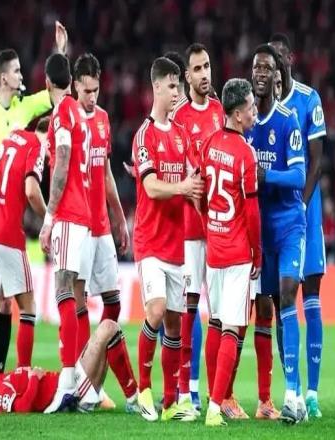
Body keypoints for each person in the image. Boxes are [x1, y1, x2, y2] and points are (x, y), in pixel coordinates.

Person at [0, 21, 67, 375]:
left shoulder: (24, 107)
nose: (22, 76)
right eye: (16, 71)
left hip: (11, 208)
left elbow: (56, 93)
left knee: (3, 300)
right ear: (2, 78)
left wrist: (59, 53)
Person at [132, 57, 203, 422]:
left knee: (175, 324)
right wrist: (183, 187)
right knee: (157, 311)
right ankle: (144, 389)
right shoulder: (144, 136)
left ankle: (171, 401)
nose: (178, 92)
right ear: (157, 87)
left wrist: (197, 192)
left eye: (179, 86)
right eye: (173, 86)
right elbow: (150, 187)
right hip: (149, 243)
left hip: (177, 245)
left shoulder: (181, 135)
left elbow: (192, 180)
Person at [246, 44, 306, 424]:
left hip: (289, 226)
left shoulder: (288, 121)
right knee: (266, 310)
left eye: (267, 68)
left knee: (286, 298)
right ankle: (268, 395)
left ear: (277, 76)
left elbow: (299, 176)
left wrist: (265, 175)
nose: (261, 73)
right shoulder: (247, 124)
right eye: (256, 67)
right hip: (261, 232)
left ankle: (294, 395)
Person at [270, 33, 327, 418]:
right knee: (281, 301)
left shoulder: (309, 99)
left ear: (289, 59)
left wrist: (301, 206)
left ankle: (312, 393)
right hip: (276, 218)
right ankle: (291, 388)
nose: (274, 67)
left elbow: (317, 161)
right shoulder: (261, 106)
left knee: (312, 297)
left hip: (306, 211)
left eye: (279, 59)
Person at [199, 78, 261, 427]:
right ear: (238, 114)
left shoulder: (209, 144)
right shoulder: (245, 153)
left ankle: (213, 398)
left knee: (215, 321)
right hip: (237, 252)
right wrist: (257, 252)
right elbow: (251, 212)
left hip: (214, 249)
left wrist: (210, 226)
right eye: (250, 107)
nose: (254, 111)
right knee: (232, 329)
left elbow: (200, 194)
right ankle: (214, 407)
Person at [171, 43, 225, 416]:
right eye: (197, 69)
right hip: (190, 228)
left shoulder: (221, 111)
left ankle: (218, 395)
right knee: (189, 307)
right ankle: (187, 389)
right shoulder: (178, 117)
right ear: (187, 76)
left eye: (207, 66)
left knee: (218, 313)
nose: (205, 73)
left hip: (219, 227)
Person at [0, 118, 49, 368]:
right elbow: (31, 191)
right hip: (7, 233)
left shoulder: (10, 139)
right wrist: (50, 219)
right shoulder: (37, 145)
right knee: (28, 307)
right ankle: (23, 373)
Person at [38, 53, 92, 413]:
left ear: (46, 84)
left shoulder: (60, 114)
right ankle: (79, 382)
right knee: (73, 293)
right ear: (71, 81)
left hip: (69, 213)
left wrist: (49, 217)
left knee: (63, 289)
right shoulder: (75, 110)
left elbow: (60, 165)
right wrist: (62, 48)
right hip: (82, 213)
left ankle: (69, 381)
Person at [73, 53, 129, 357]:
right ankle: (82, 371)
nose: (92, 97)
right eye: (87, 91)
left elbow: (106, 172)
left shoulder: (103, 119)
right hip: (77, 225)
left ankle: (94, 360)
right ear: (75, 86)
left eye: (96, 90)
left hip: (102, 225)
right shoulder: (67, 120)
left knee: (114, 301)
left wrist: (119, 218)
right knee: (78, 301)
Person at [0, 320, 138, 414]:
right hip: (73, 392)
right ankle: (132, 399)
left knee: (109, 333)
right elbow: (22, 407)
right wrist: (34, 378)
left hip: (71, 384)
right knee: (108, 328)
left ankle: (128, 398)